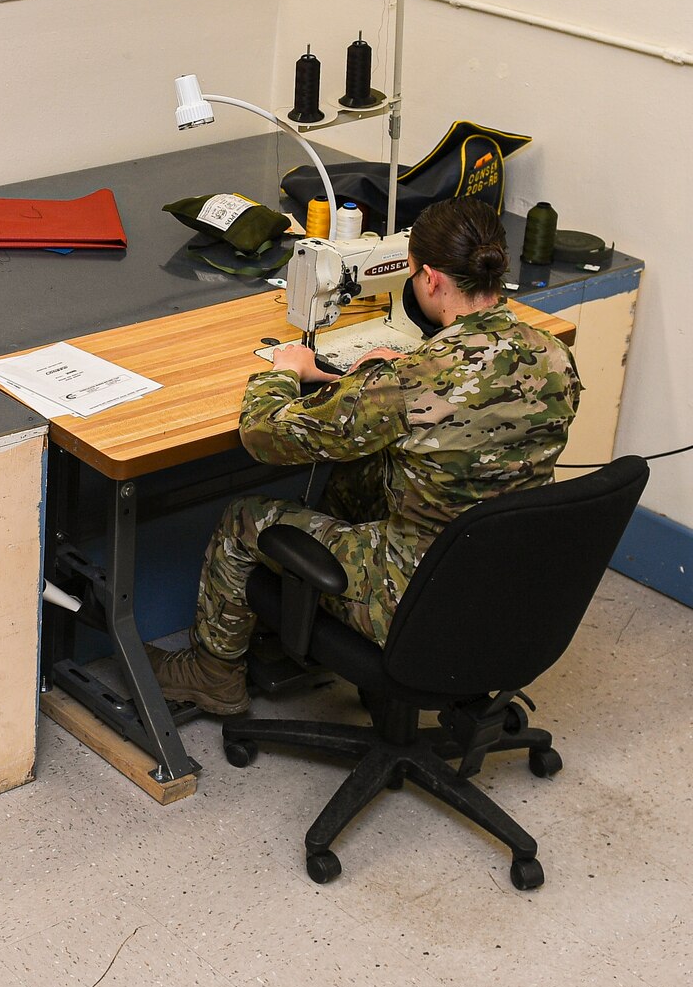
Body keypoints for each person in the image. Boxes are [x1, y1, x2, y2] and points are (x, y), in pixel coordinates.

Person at [149, 197, 582, 716]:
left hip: (415, 593)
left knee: (244, 519)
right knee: (361, 470)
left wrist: (285, 370)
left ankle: (212, 675)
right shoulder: (554, 355)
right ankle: (298, 615)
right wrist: (381, 379)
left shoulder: (406, 383)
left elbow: (263, 434)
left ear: (433, 280)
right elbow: (468, 419)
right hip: (510, 579)